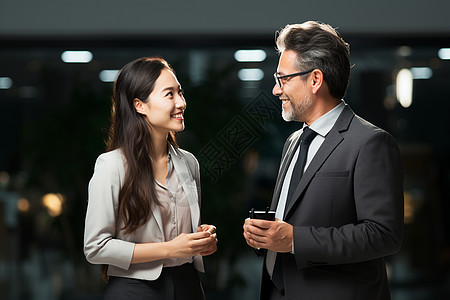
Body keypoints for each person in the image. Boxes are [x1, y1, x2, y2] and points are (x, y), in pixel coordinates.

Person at [243, 21, 404, 300]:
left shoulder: (370, 143)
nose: (276, 90)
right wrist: (266, 237)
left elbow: (383, 234)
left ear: (315, 79)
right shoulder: (293, 142)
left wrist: (294, 240)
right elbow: (292, 218)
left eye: (283, 79)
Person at [84, 57, 217, 300]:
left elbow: (180, 229)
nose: (181, 103)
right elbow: (95, 247)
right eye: (169, 94)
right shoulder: (111, 166)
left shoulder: (189, 163)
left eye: (180, 92)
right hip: (135, 290)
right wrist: (170, 248)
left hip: (188, 286)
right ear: (140, 105)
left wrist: (201, 239)